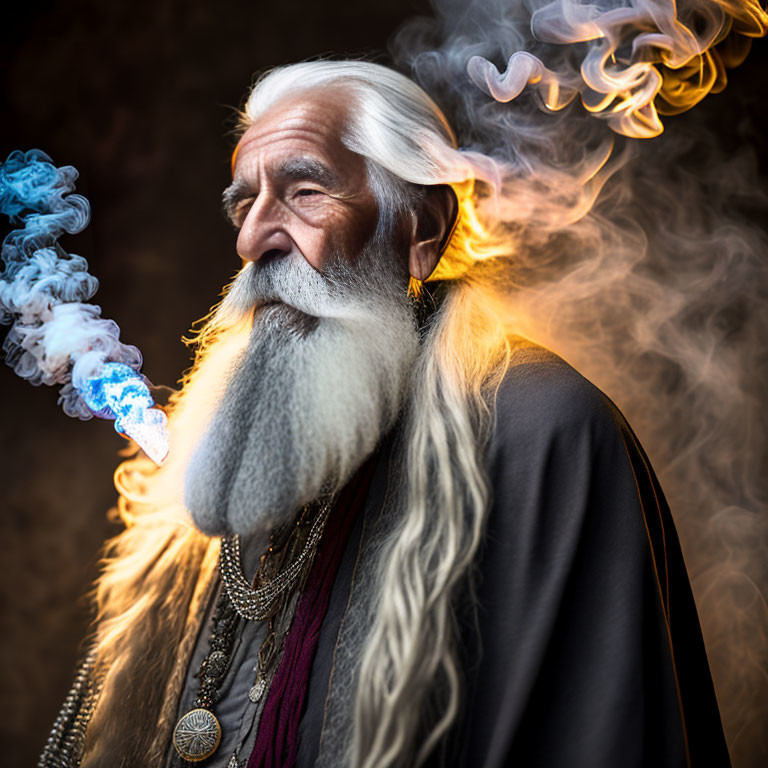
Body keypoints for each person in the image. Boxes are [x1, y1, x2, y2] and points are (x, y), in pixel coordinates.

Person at [39, 60, 730, 768]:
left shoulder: (537, 428)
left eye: (306, 191)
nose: (253, 241)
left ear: (420, 230)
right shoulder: (217, 442)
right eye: (243, 205)